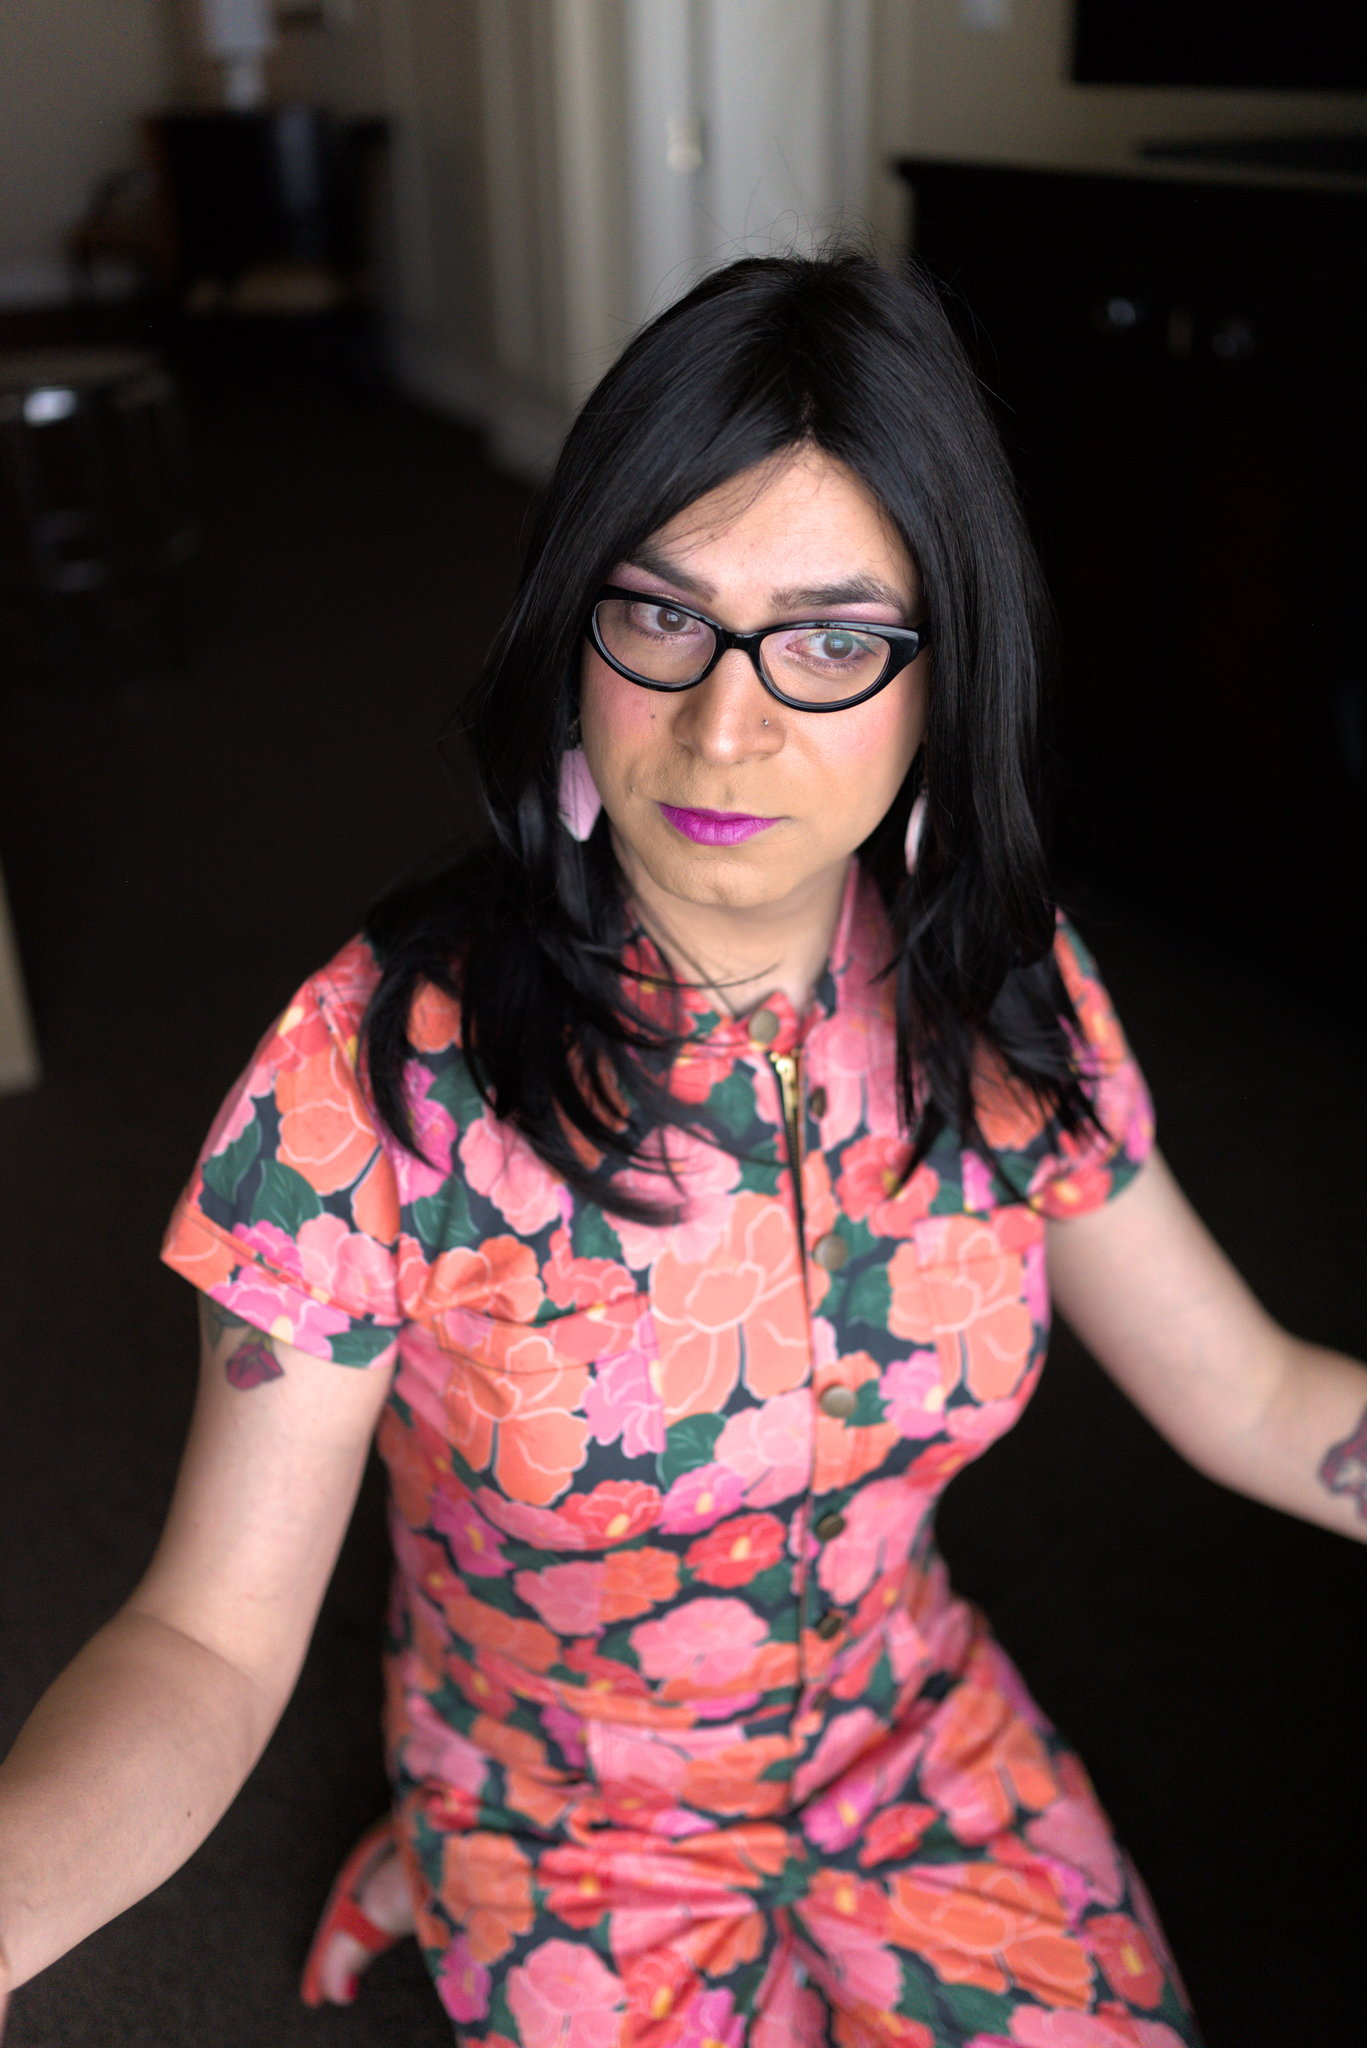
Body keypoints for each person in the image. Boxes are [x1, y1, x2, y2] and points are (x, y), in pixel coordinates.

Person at [1, 250, 1364, 2048]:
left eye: (834, 642)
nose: (728, 730)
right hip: (560, 1809)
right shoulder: (368, 1078)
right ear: (573, 633)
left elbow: (1252, 1395)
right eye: (659, 618)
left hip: (909, 1739)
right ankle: (434, 1847)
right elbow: (208, 1643)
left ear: (944, 681)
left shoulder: (1003, 990)